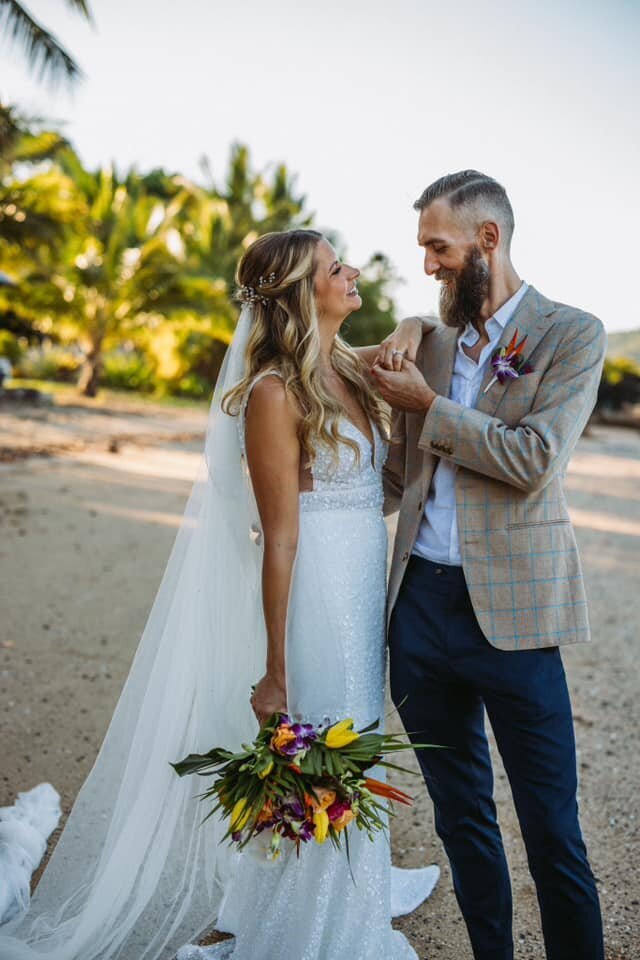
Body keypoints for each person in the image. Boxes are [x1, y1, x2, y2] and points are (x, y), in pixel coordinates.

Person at [0, 228, 437, 960]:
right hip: (316, 595)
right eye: (336, 268)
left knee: (352, 735)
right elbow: (281, 537)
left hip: (362, 590)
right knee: (319, 745)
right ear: (303, 293)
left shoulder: (346, 367)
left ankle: (336, 903)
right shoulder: (273, 392)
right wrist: (273, 666)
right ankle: (313, 933)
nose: (352, 271)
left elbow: (424, 327)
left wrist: (408, 326)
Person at [373, 170, 606, 960]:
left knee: (552, 832)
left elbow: (534, 458)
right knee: (461, 819)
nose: (428, 265)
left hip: (515, 618)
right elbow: (394, 475)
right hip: (420, 617)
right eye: (423, 251)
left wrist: (428, 410)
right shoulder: (427, 343)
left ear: (488, 239)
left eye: (437, 247)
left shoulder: (573, 333)